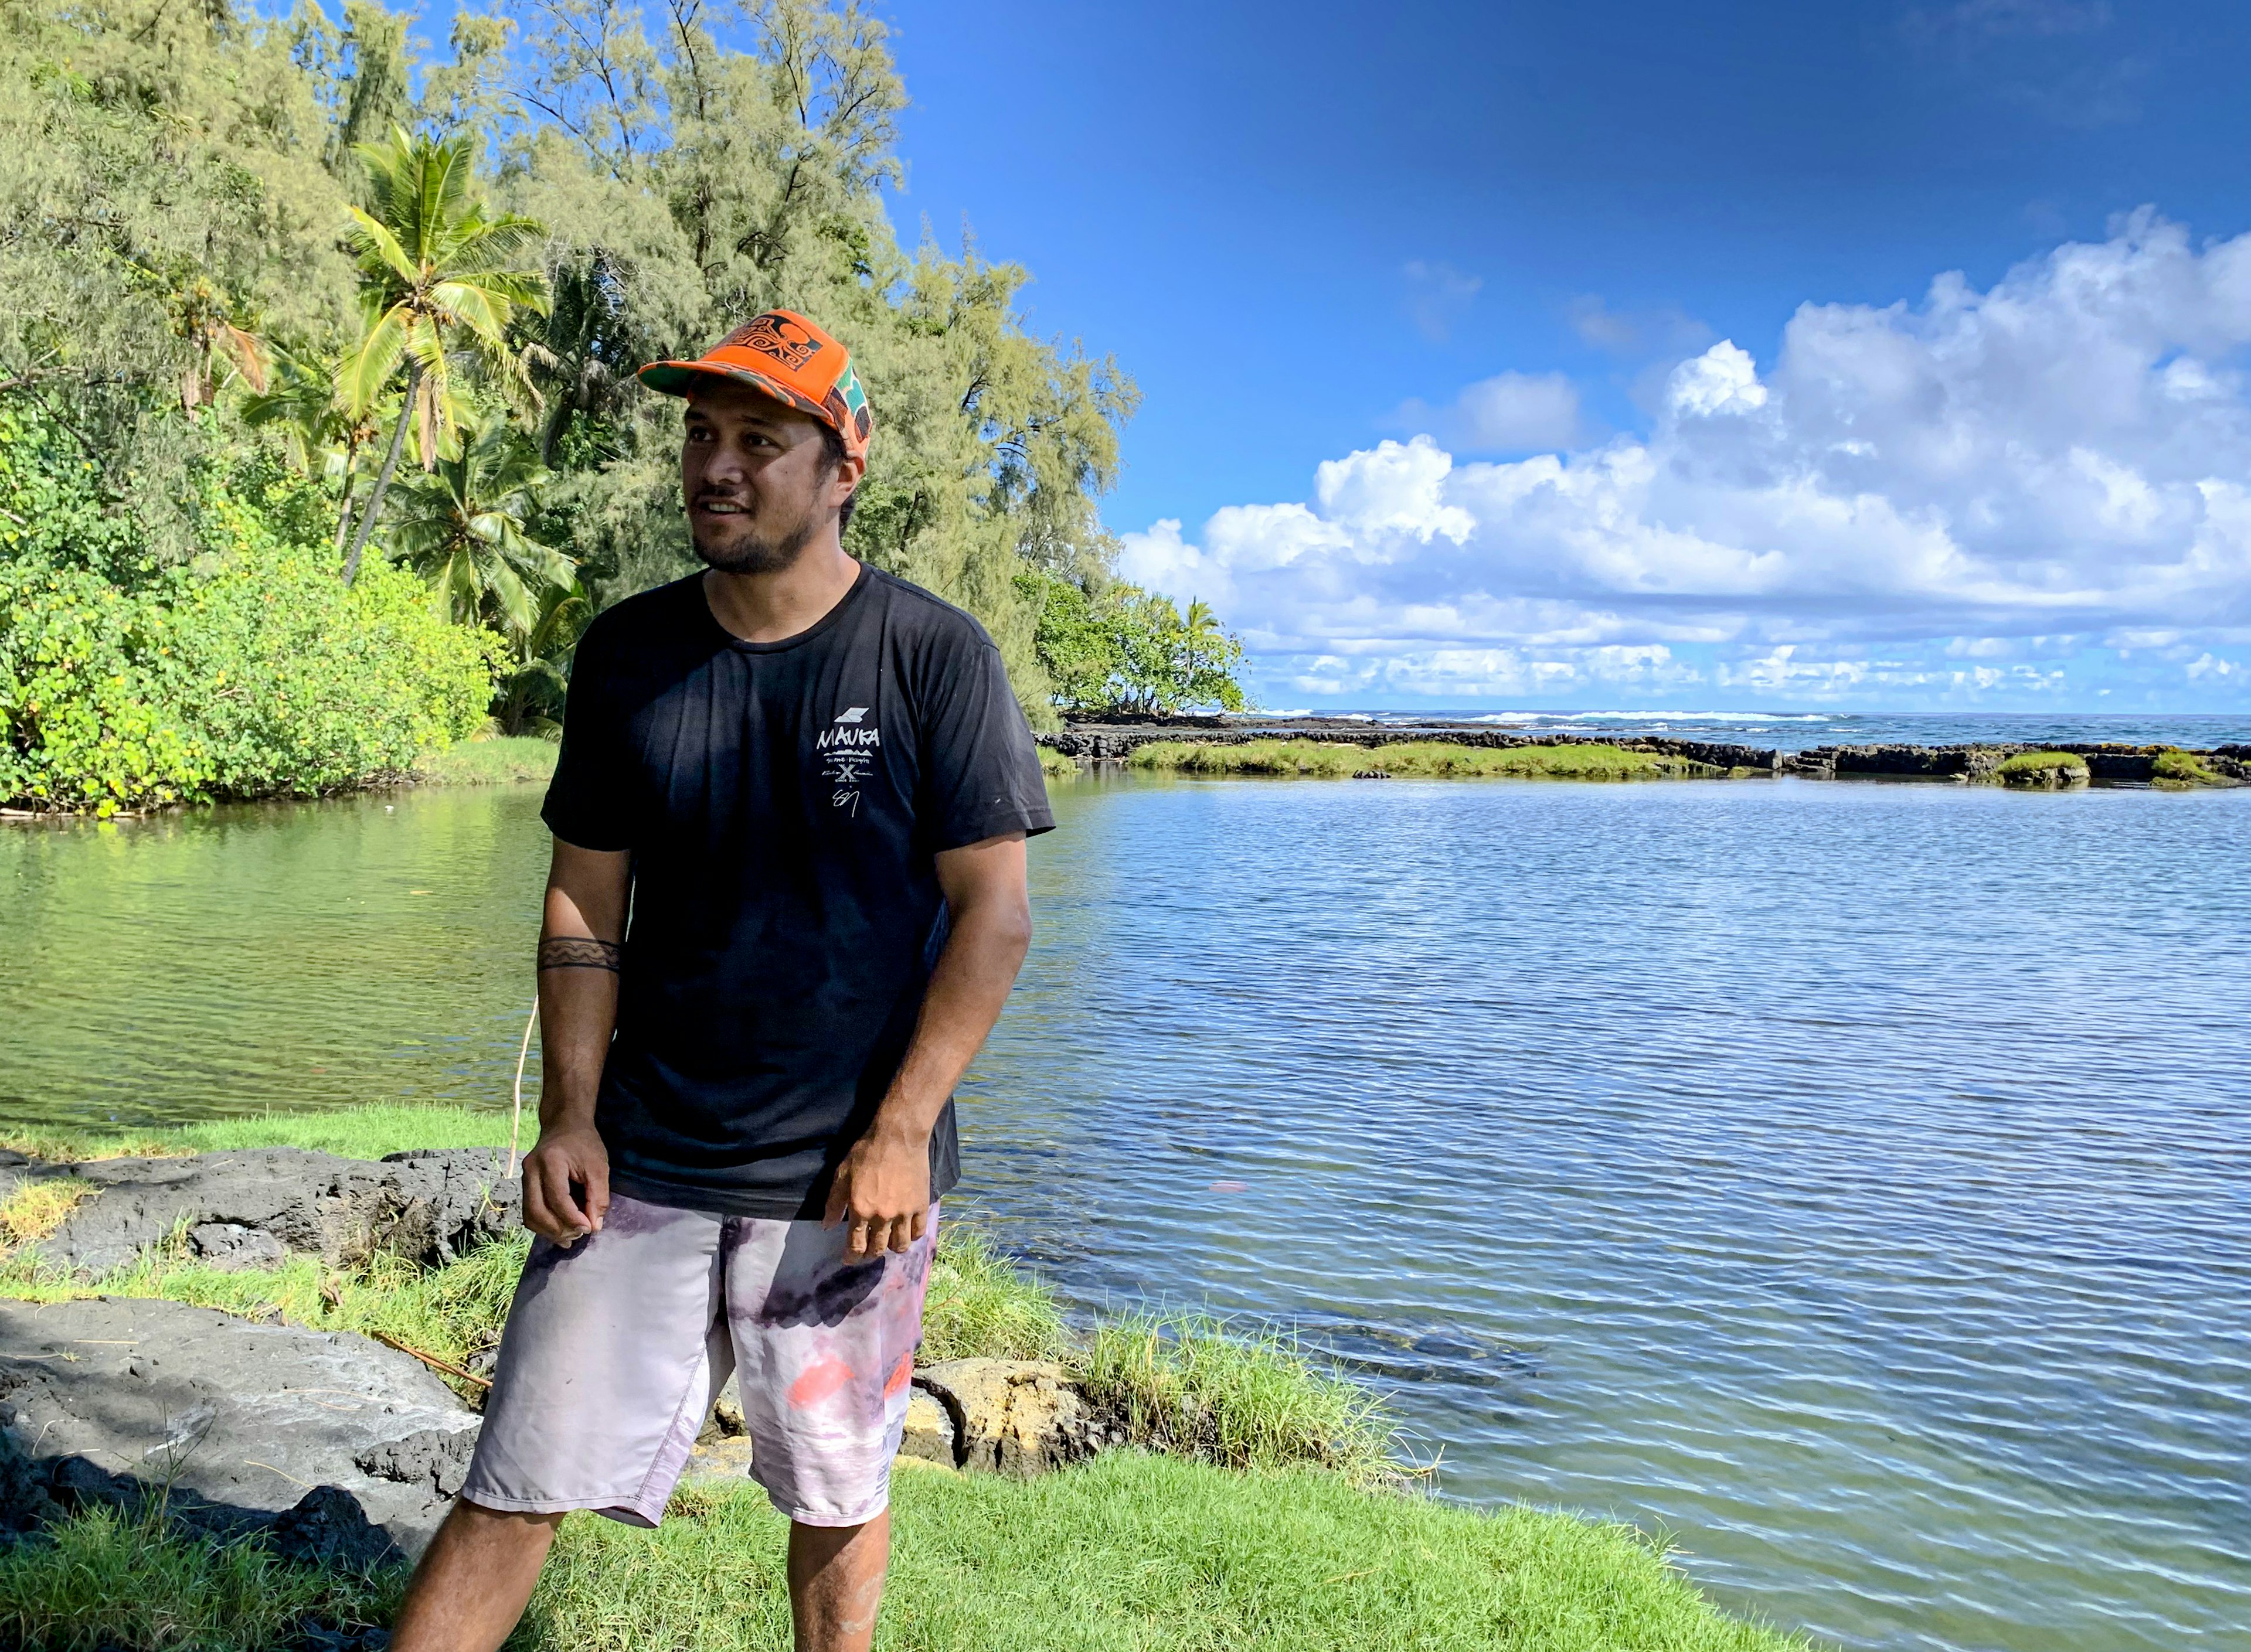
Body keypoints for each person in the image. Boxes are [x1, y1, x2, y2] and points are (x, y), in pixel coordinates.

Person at [389, 309, 1053, 1652]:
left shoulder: (931, 656)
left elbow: (996, 917)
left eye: (762, 438)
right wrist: (570, 1112)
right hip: (642, 1160)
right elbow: (586, 898)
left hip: (848, 1179)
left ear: (841, 467)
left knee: (835, 1494)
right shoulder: (630, 657)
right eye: (701, 434)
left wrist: (903, 1132)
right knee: (517, 1478)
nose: (718, 465)